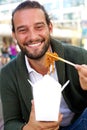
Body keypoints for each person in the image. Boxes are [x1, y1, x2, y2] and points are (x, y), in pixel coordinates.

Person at [0, 1, 87, 130]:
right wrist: (29, 128)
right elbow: (10, 122)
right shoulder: (7, 73)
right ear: (14, 35)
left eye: (39, 27)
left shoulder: (79, 57)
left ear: (50, 28)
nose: (33, 36)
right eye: (23, 30)